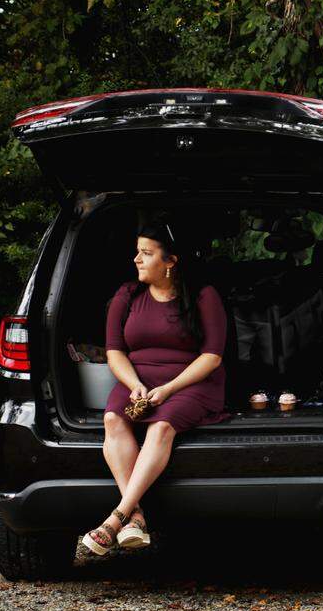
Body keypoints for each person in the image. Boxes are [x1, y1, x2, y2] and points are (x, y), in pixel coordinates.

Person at [82, 221, 228, 556]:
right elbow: (114, 351)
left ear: (170, 261)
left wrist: (168, 389)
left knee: (161, 426)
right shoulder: (127, 294)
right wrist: (134, 385)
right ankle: (135, 518)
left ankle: (115, 519)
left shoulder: (204, 296)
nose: (137, 259)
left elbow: (212, 356)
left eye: (146, 253)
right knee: (113, 420)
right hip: (137, 380)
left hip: (191, 381)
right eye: (137, 252)